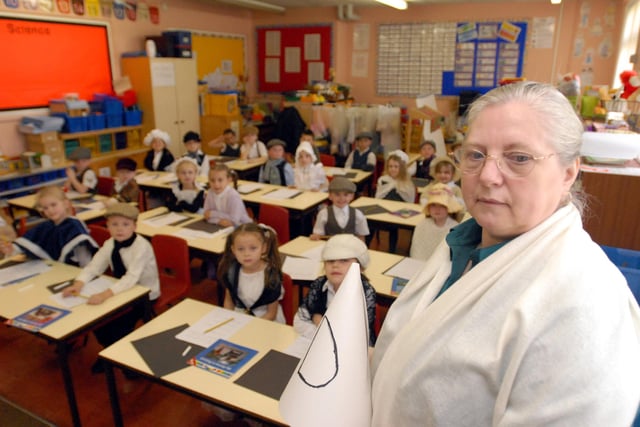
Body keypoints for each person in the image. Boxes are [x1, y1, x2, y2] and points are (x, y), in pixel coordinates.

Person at [371, 81, 640, 426]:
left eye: (519, 158)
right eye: (476, 154)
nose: (487, 175)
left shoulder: (586, 307)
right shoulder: (463, 239)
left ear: (568, 173)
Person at [63, 203, 159, 373]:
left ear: (135, 226)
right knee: (97, 321)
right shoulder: (110, 243)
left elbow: (131, 278)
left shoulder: (141, 246)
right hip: (119, 291)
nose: (119, 229)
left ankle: (127, 364)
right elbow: (95, 266)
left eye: (125, 224)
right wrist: (79, 282)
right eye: (114, 224)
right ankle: (109, 352)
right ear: (107, 226)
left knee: (120, 326)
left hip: (144, 293)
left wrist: (106, 294)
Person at [294, 234, 377, 346]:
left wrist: (317, 319)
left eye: (344, 260)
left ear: (360, 267)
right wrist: (323, 335)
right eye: (330, 261)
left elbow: (353, 337)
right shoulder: (319, 285)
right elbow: (299, 321)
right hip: (318, 346)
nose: (335, 265)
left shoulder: (365, 293)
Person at [0, 186, 97, 266]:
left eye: (53, 205)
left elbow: (85, 261)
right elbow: (29, 243)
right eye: (45, 208)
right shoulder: (46, 226)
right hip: (53, 270)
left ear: (66, 204)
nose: (50, 210)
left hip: (73, 273)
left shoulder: (75, 227)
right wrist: (12, 249)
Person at [217, 223, 286, 323]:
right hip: (240, 318)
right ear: (233, 250)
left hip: (265, 321)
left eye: (253, 248)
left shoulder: (271, 275)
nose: (246, 254)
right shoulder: (231, 271)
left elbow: (271, 314)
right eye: (240, 249)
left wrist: (249, 327)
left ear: (263, 248)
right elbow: (229, 301)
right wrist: (229, 319)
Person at [374, 150, 416, 253]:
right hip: (384, 210)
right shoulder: (383, 179)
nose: (392, 169)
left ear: (401, 168)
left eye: (396, 167)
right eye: (390, 166)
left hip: (399, 212)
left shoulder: (406, 182)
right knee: (371, 222)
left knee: (393, 227)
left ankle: (392, 250)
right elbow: (378, 197)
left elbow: (410, 200)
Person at [409, 183, 462, 261]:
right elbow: (416, 251)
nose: (437, 209)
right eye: (433, 205)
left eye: (442, 206)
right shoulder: (422, 225)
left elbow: (456, 255)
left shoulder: (455, 228)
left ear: (449, 208)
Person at [310, 177, 369, 241]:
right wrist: (316, 237)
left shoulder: (358, 214)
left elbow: (361, 237)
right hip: (330, 248)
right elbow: (318, 235)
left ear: (352, 197)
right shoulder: (323, 214)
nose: (341, 198)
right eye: (337, 195)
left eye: (345, 195)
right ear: (330, 196)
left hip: (350, 248)